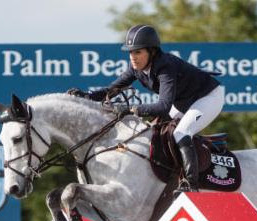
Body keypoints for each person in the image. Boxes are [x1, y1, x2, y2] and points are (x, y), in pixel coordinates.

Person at [68, 24, 225, 192]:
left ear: (152, 51)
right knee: (154, 130)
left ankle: (191, 185)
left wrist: (131, 109)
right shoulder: (136, 69)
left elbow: (164, 106)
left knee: (181, 133)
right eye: (130, 52)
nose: (133, 57)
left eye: (138, 52)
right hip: (184, 101)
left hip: (208, 97)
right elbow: (112, 89)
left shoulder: (165, 67)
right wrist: (87, 96)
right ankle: (171, 175)